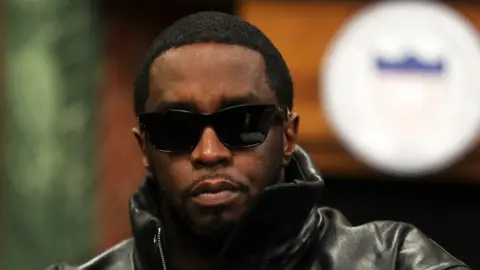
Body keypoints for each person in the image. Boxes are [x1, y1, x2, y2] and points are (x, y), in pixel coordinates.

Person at [47, 11, 470, 270]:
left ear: (287, 137)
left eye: (242, 123)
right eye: (176, 129)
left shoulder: (393, 261)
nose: (209, 153)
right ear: (144, 149)